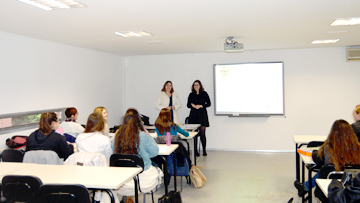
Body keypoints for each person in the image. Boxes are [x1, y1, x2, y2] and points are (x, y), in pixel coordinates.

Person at [295, 119, 360, 200]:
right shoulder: (358, 147)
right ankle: (305, 186)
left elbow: (318, 159)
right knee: (327, 169)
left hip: (330, 185)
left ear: (333, 132)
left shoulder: (329, 147)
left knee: (326, 169)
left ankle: (305, 187)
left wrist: (314, 152)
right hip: (352, 188)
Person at [114, 108, 163, 202]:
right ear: (139, 121)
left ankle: (129, 197)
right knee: (156, 167)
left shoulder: (118, 136)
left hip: (121, 182)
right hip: (143, 180)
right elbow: (154, 152)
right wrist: (148, 136)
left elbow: (113, 152)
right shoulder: (142, 135)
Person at [187, 80, 211, 156]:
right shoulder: (191, 94)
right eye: (194, 85)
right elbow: (188, 105)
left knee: (202, 133)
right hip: (194, 115)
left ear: (200, 86)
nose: (196, 86)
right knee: (194, 134)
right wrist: (193, 106)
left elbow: (209, 103)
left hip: (202, 115)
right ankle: (195, 151)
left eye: (197, 85)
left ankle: (204, 150)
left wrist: (200, 106)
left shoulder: (204, 93)